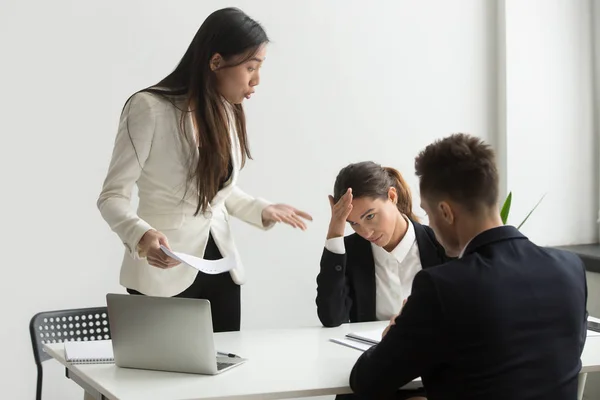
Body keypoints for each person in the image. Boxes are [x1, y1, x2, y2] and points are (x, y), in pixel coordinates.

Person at [97, 7, 312, 333]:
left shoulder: (225, 111)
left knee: (224, 375)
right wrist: (140, 235)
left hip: (220, 269)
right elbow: (112, 196)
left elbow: (215, 193)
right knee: (162, 380)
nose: (257, 80)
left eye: (260, 68)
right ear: (215, 62)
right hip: (164, 269)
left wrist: (262, 210)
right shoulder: (148, 108)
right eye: (250, 67)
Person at [349, 134, 588, 400]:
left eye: (428, 214)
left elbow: (367, 379)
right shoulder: (570, 268)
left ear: (446, 212)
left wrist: (397, 330)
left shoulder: (441, 287)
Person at [316, 161, 450, 400]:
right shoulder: (349, 252)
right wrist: (336, 231)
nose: (366, 232)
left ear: (392, 196)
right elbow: (331, 317)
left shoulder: (439, 245)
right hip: (372, 376)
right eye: (353, 223)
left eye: (370, 216)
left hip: (428, 376)